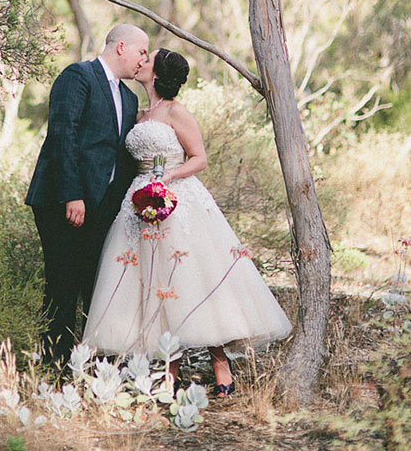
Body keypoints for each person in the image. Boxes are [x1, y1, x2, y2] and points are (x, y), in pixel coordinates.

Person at [83, 48, 292, 396]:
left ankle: (220, 363)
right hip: (139, 202)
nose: (141, 61)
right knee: (152, 283)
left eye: (147, 59)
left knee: (192, 278)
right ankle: (169, 368)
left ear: (158, 73)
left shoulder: (176, 111)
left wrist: (165, 181)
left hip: (179, 199)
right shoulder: (138, 113)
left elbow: (200, 158)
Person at [26, 24, 150, 366]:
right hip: (61, 203)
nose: (143, 61)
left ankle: (90, 368)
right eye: (142, 52)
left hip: (102, 210)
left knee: (95, 289)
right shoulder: (78, 76)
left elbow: (120, 157)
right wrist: (72, 195)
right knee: (62, 287)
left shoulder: (129, 97)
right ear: (121, 47)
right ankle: (55, 368)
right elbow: (63, 135)